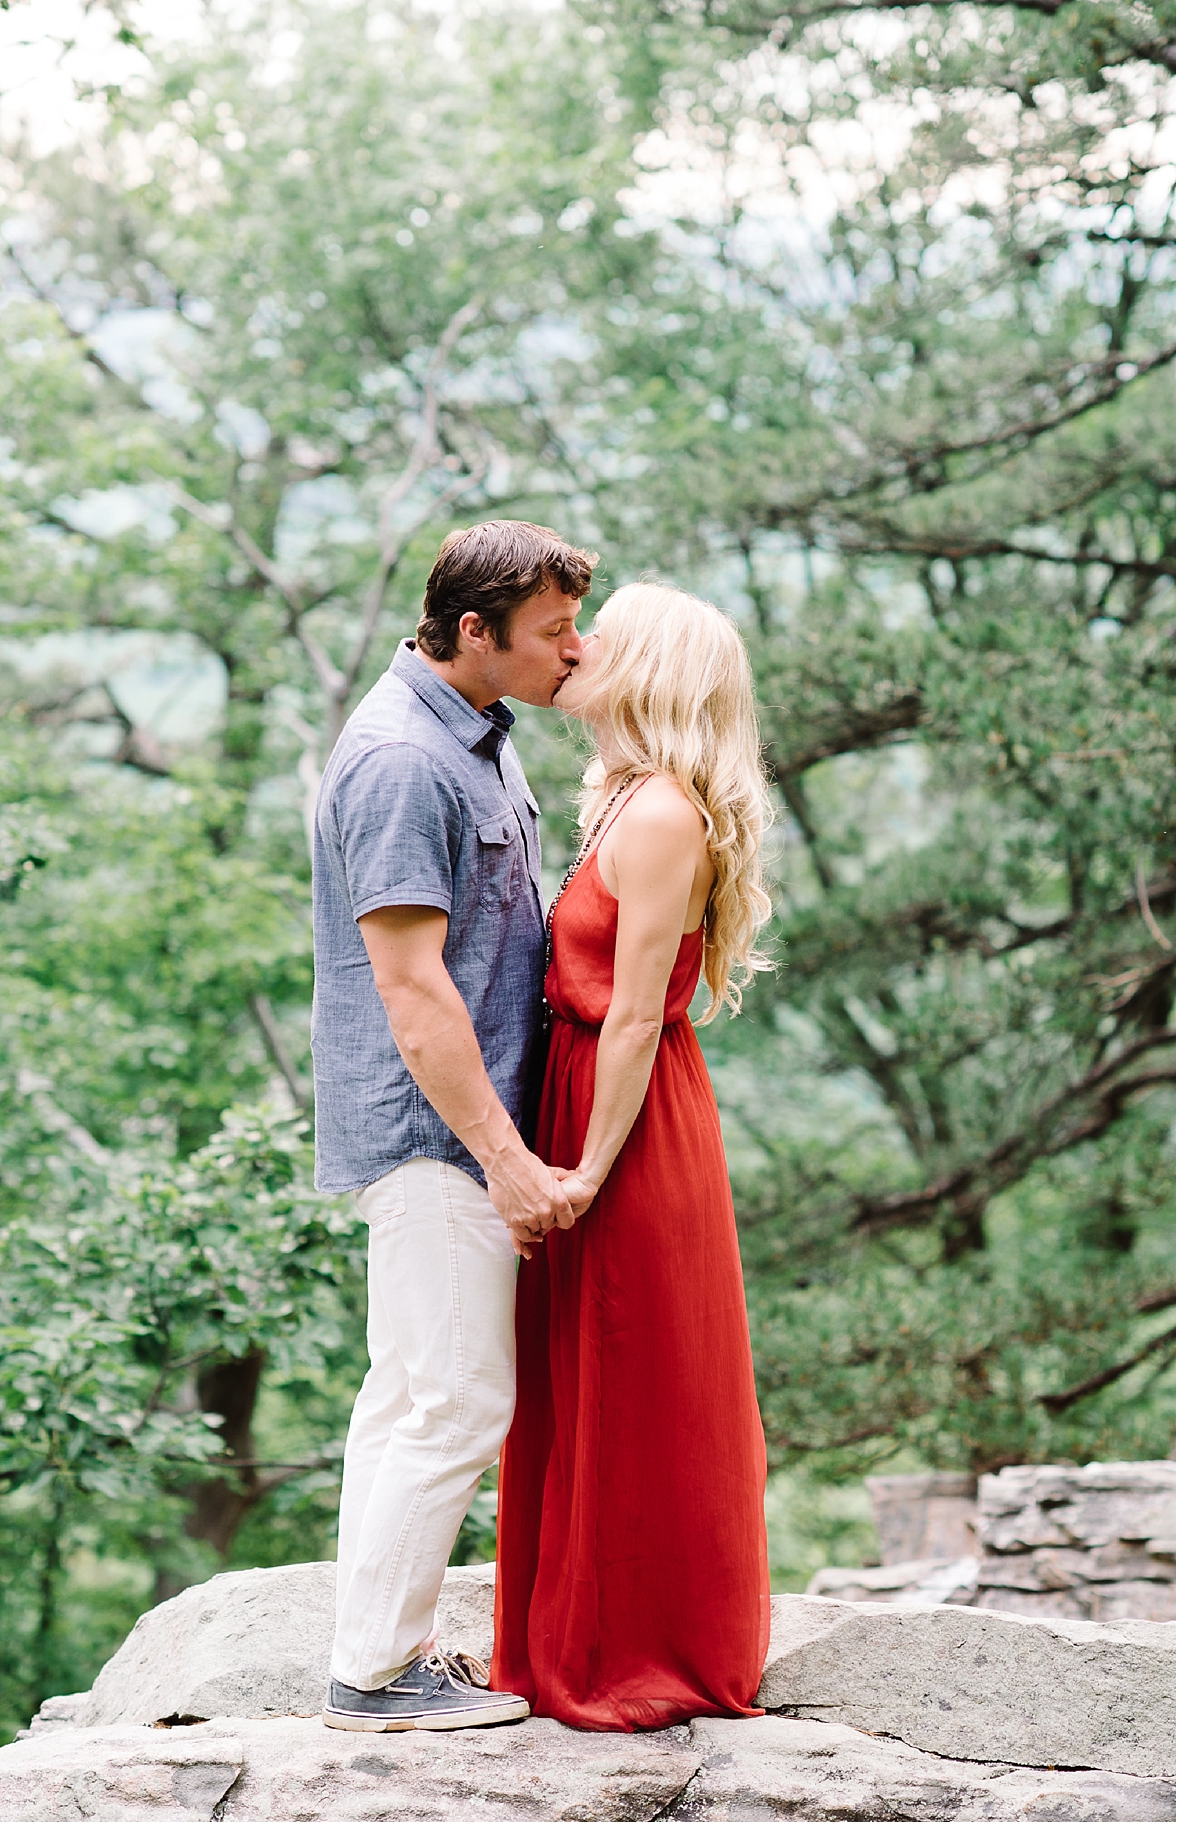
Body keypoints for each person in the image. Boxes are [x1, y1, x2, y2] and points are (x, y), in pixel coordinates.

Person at [311, 520, 594, 1731]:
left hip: (461, 1130)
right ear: (473, 634)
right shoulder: (401, 763)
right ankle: (377, 1680)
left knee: (409, 1395)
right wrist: (507, 1159)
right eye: (553, 632)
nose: (575, 652)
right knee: (459, 1402)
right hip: (438, 1136)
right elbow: (413, 990)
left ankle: (376, 1651)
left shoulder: (478, 738)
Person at [490, 579, 776, 1730]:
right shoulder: (618, 791)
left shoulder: (662, 813)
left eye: (601, 632)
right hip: (580, 1096)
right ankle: (566, 1630)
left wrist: (586, 1172)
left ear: (649, 666)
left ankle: (632, 1650)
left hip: (625, 1116)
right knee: (574, 1374)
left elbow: (634, 1012)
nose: (580, 643)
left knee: (630, 1369)